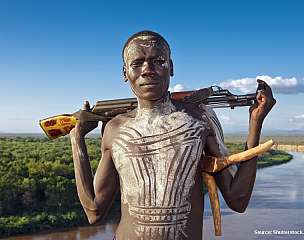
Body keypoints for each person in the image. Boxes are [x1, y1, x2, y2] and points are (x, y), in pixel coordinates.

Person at [70, 30, 276, 239]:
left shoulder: (201, 118)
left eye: (158, 61)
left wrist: (255, 123)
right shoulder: (115, 128)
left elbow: (237, 200)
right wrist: (77, 140)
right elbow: (94, 212)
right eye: (137, 63)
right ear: (125, 73)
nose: (148, 70)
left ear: (171, 67)